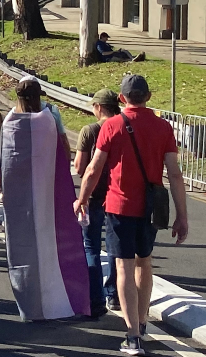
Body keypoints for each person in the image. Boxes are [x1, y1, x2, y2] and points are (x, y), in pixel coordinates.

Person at [75, 75, 188, 355]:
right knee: (144, 263)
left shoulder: (111, 126)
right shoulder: (163, 127)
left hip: (118, 206)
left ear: (123, 99)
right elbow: (174, 174)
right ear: (148, 97)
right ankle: (142, 320)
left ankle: (132, 335)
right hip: (150, 208)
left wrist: (82, 199)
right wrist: (182, 216)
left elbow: (93, 169)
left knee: (123, 267)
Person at [0, 79, 90, 322]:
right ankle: (57, 301)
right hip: (49, 189)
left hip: (20, 195)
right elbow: (62, 146)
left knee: (23, 248)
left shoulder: (9, 121)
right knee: (53, 244)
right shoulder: (50, 115)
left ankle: (29, 304)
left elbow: (5, 158)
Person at [74, 89, 121, 317]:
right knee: (114, 246)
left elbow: (81, 167)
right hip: (116, 194)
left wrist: (81, 196)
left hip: (93, 195)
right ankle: (114, 294)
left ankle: (96, 299)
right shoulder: (123, 127)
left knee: (91, 245)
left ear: (99, 107)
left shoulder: (90, 130)